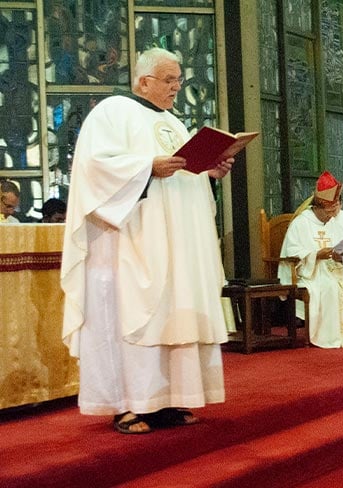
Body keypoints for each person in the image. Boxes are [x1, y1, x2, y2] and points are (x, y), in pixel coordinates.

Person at [60, 47, 234, 435]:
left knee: (173, 315)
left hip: (176, 245)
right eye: (170, 80)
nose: (177, 87)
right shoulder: (113, 112)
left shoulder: (175, 122)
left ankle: (168, 399)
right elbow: (93, 168)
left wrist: (209, 172)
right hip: (131, 242)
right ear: (144, 81)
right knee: (133, 317)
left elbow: (184, 177)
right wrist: (145, 168)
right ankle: (127, 405)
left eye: (179, 80)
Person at [280, 171, 343, 348]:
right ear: (318, 207)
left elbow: (338, 246)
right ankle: (329, 336)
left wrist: (340, 255)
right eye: (328, 212)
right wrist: (316, 255)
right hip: (312, 271)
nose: (331, 216)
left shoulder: (331, 221)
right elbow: (292, 251)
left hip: (333, 266)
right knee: (330, 287)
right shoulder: (301, 223)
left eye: (333, 211)